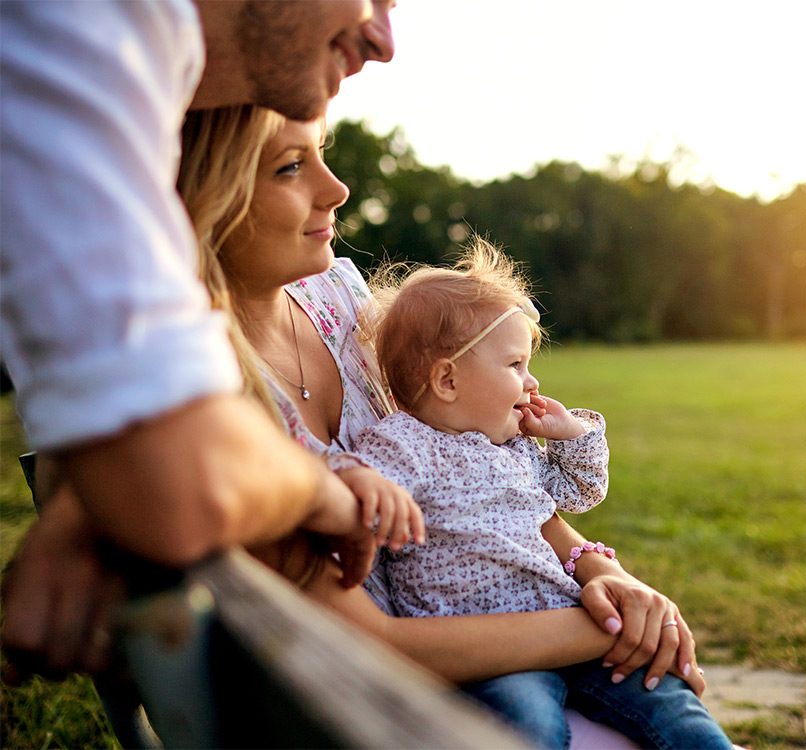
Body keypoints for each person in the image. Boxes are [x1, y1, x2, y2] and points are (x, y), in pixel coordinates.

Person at [175, 107, 715, 746]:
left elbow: (503, 490)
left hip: (519, 637)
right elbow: (368, 642)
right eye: (291, 167)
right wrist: (608, 623)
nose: (337, 189)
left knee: (674, 714)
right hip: (359, 701)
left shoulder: (343, 302)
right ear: (205, 195)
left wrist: (603, 573)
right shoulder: (203, 391)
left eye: (322, 152)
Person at [0, 0, 396, 679]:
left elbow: (147, 467)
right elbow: (180, 483)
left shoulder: (113, 54)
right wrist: (328, 492)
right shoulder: (70, 36)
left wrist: (100, 493)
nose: (384, 39)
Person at [322, 243, 732, 749]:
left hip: (568, 619)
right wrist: (361, 480)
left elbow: (579, 492)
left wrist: (572, 432)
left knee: (669, 700)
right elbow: (351, 473)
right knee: (526, 725)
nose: (531, 380)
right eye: (515, 363)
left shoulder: (515, 447)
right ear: (447, 379)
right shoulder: (405, 444)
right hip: (492, 651)